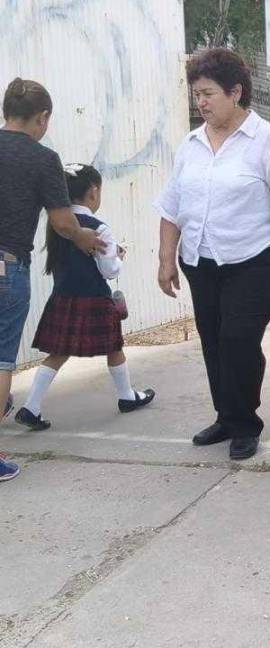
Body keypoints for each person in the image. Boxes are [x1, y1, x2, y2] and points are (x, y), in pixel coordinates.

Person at [155, 48, 270, 461]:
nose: (200, 102)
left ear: (236, 91)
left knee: (239, 339)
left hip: (253, 260)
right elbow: (172, 207)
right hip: (200, 261)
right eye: (196, 95)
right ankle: (226, 416)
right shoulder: (190, 144)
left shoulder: (266, 140)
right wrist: (166, 258)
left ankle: (246, 423)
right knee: (213, 341)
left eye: (208, 93)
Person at [0, 77, 106, 482]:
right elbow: (63, 222)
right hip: (7, 265)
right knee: (2, 359)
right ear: (42, 118)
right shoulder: (42, 158)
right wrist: (84, 238)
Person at [15, 163, 155, 431]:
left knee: (58, 352)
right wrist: (119, 257)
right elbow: (109, 269)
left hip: (64, 298)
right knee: (114, 348)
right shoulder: (99, 227)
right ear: (93, 192)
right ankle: (127, 396)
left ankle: (31, 406)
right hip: (95, 298)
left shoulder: (57, 226)